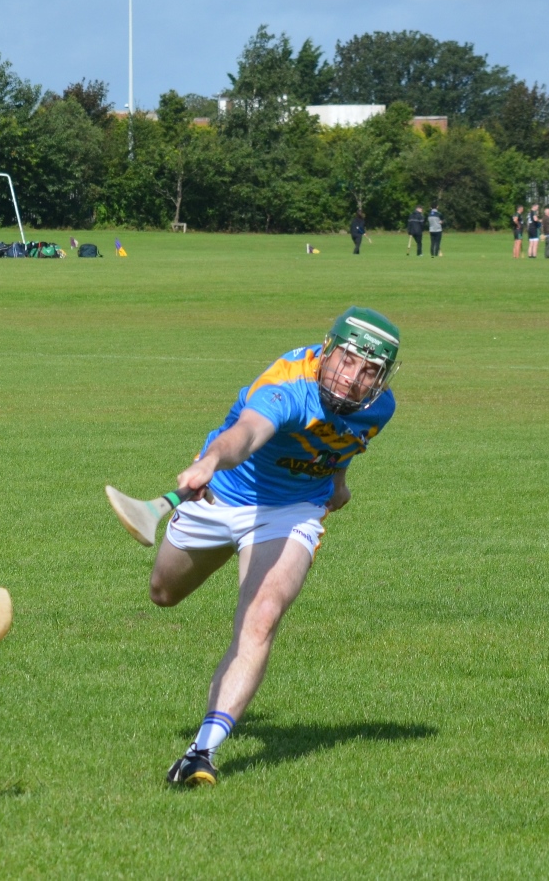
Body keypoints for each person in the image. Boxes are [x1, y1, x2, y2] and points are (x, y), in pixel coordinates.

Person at [153, 307, 400, 788]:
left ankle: (201, 754)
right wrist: (210, 462)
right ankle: (227, 546)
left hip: (291, 512)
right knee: (163, 593)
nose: (354, 380)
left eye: (369, 371)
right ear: (327, 352)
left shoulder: (380, 407)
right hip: (222, 491)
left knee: (261, 614)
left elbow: (342, 444)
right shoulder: (289, 384)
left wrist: (339, 483)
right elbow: (246, 435)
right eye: (347, 362)